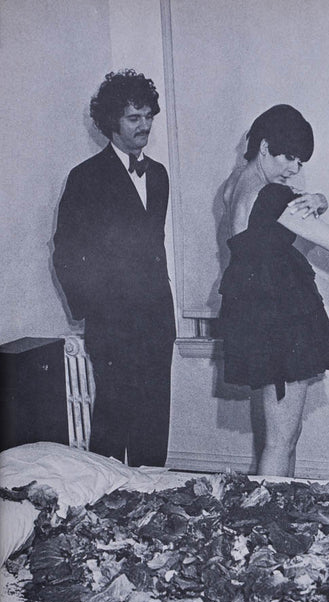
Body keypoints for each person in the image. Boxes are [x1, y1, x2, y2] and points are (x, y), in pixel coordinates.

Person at [219, 105, 329, 477]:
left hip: (253, 311)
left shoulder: (233, 185)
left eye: (299, 161)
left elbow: (272, 218)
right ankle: (267, 513)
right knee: (280, 440)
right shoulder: (275, 198)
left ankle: (281, 506)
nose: (294, 168)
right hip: (281, 317)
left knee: (283, 435)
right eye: (288, 157)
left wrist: (319, 200)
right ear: (264, 146)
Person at [53, 69, 176, 467]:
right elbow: (65, 253)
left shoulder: (159, 175)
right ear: (111, 121)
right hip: (114, 326)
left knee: (153, 426)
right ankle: (104, 499)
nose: (145, 125)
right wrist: (94, 310)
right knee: (113, 422)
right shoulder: (85, 177)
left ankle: (153, 499)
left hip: (157, 320)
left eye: (148, 116)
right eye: (133, 118)